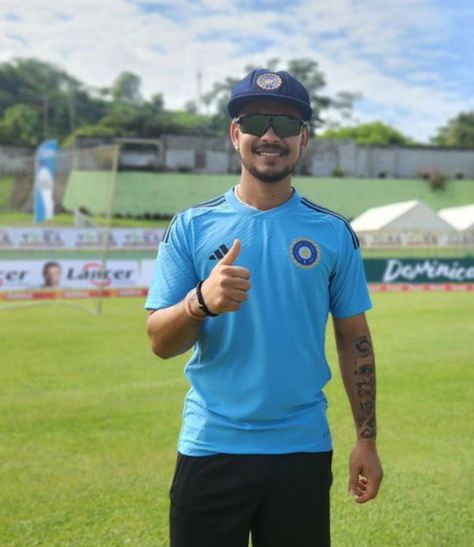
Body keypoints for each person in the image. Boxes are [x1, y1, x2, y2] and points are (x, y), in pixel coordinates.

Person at [146, 68, 383, 547]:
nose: (271, 135)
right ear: (237, 135)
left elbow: (354, 338)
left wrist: (367, 440)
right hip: (211, 447)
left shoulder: (334, 233)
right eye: (256, 121)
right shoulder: (190, 227)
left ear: (304, 139)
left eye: (287, 124)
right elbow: (159, 342)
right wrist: (200, 303)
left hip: (301, 449)